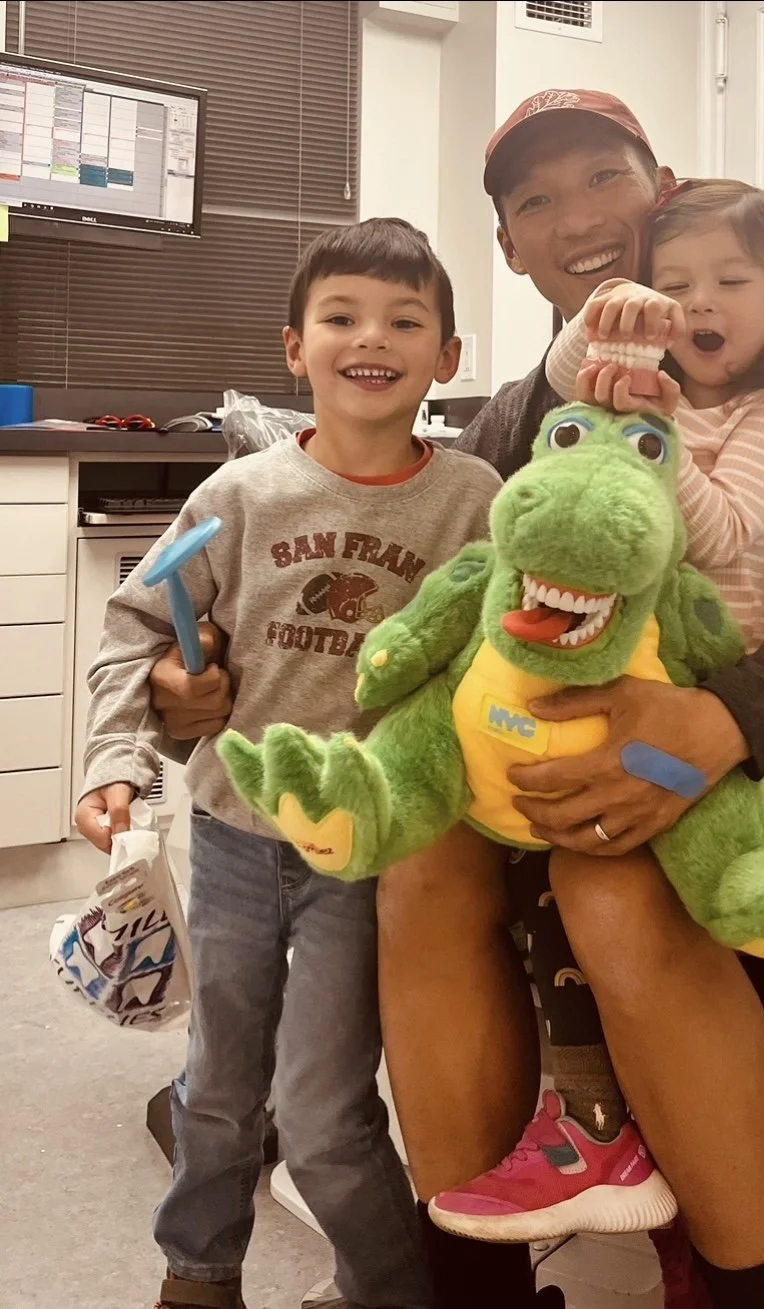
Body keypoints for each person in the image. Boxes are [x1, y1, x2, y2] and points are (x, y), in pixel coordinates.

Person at [149, 91, 764, 1309]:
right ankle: (474, 1283)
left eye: (604, 177)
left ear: (664, 184)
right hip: (610, 727)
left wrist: (721, 723)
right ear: (511, 248)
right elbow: (456, 608)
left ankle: (750, 1289)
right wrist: (202, 672)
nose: (580, 217)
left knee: (618, 878)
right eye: (537, 200)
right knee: (421, 864)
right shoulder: (526, 412)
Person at [75, 217, 502, 1309]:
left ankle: (389, 1287)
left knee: (321, 1111)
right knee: (215, 1087)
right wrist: (120, 756)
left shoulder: (473, 502)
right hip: (229, 840)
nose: (373, 338)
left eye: (406, 321)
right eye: (343, 317)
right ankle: (198, 1272)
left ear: (447, 357)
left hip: (370, 855)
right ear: (294, 346)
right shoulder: (239, 496)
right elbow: (138, 626)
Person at [425, 177, 764, 1241]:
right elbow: (567, 383)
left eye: (732, 282)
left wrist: (650, 441)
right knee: (510, 824)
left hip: (703, 680)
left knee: (596, 857)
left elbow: (729, 535)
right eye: (675, 282)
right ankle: (598, 1117)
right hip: (616, 668)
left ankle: (597, 1117)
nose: (702, 301)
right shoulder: (633, 384)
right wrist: (604, 336)